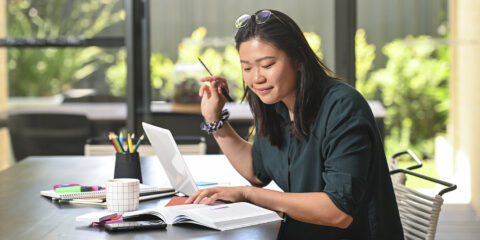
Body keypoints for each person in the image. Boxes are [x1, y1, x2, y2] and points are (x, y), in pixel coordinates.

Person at [187, 9, 404, 239]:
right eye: (247, 68)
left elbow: (339, 211)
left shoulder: (342, 107)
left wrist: (248, 195)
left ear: (298, 59)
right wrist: (214, 119)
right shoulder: (274, 104)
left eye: (267, 65)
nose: (256, 78)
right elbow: (257, 170)